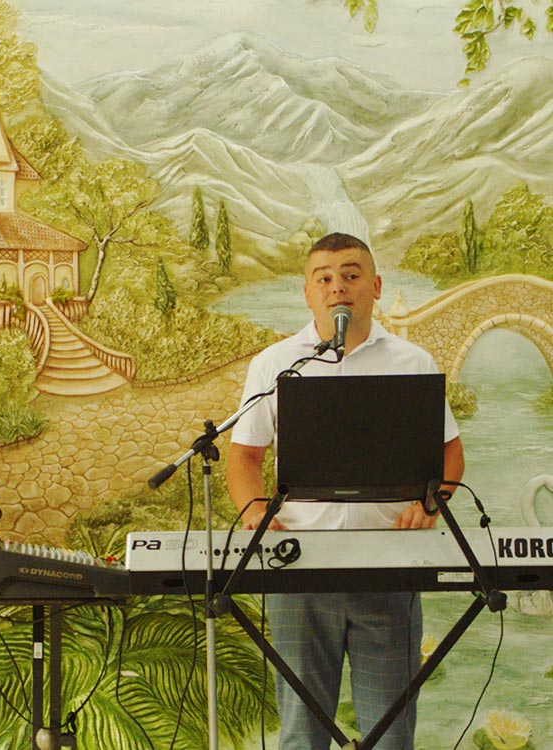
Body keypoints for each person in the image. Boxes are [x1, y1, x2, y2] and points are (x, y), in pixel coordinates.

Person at [225, 232, 465, 750]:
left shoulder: (413, 363)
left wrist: (429, 504)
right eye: (325, 278)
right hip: (299, 572)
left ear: (375, 286)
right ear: (307, 293)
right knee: (300, 734)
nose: (339, 287)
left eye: (352, 276)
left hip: (391, 572)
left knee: (391, 734)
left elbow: (450, 456)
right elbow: (243, 457)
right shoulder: (276, 365)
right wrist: (253, 509)